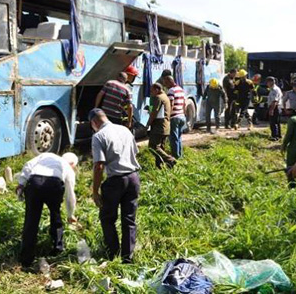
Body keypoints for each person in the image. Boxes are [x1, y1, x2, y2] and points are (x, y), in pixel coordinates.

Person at [89, 108, 141, 263]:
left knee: (107, 218)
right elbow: (135, 152)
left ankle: (112, 254)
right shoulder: (125, 130)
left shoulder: (98, 136)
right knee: (129, 219)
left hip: (115, 182)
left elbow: (99, 165)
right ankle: (127, 258)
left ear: (94, 122)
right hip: (133, 178)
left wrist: (95, 191)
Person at [17, 152, 79, 267]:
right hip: (53, 185)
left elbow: (28, 165)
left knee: (31, 220)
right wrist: (71, 215)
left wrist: (21, 183)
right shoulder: (67, 166)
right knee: (55, 215)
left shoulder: (46, 155)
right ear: (72, 164)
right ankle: (57, 249)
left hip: (34, 182)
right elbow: (70, 195)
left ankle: (26, 259)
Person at [146, 83, 176, 168]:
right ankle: (160, 166)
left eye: (152, 91)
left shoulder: (158, 97)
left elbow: (154, 112)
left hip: (159, 126)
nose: (151, 93)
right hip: (165, 126)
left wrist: (148, 124)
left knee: (153, 146)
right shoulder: (165, 97)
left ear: (157, 90)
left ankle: (170, 159)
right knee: (161, 148)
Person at [163, 76, 186, 159]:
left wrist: (168, 116)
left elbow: (170, 104)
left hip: (174, 117)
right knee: (179, 137)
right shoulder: (180, 89)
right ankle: (180, 156)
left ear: (169, 81)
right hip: (181, 116)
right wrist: (183, 113)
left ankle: (175, 157)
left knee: (173, 138)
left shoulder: (171, 90)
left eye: (165, 83)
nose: (165, 85)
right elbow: (184, 103)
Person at [266, 76, 283, 141]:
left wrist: (271, 110)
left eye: (267, 82)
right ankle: (278, 135)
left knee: (273, 122)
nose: (267, 84)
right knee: (277, 122)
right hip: (276, 107)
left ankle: (274, 136)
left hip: (275, 107)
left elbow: (274, 101)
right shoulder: (274, 89)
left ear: (270, 82)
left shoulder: (274, 90)